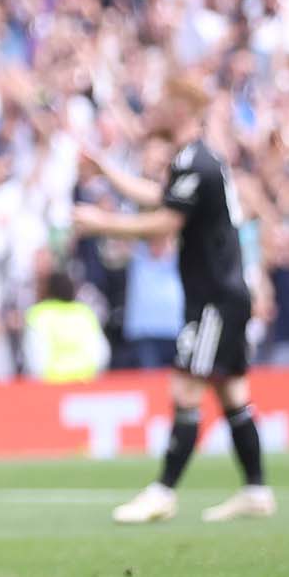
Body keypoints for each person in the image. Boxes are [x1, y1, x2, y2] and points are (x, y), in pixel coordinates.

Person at [74, 75, 274, 525]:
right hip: (223, 294)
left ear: (182, 109)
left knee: (186, 387)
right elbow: (160, 198)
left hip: (215, 300)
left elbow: (165, 222)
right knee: (232, 393)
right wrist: (108, 172)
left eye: (162, 102)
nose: (154, 110)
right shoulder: (193, 160)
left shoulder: (195, 162)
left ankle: (163, 491)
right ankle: (257, 489)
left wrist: (100, 222)